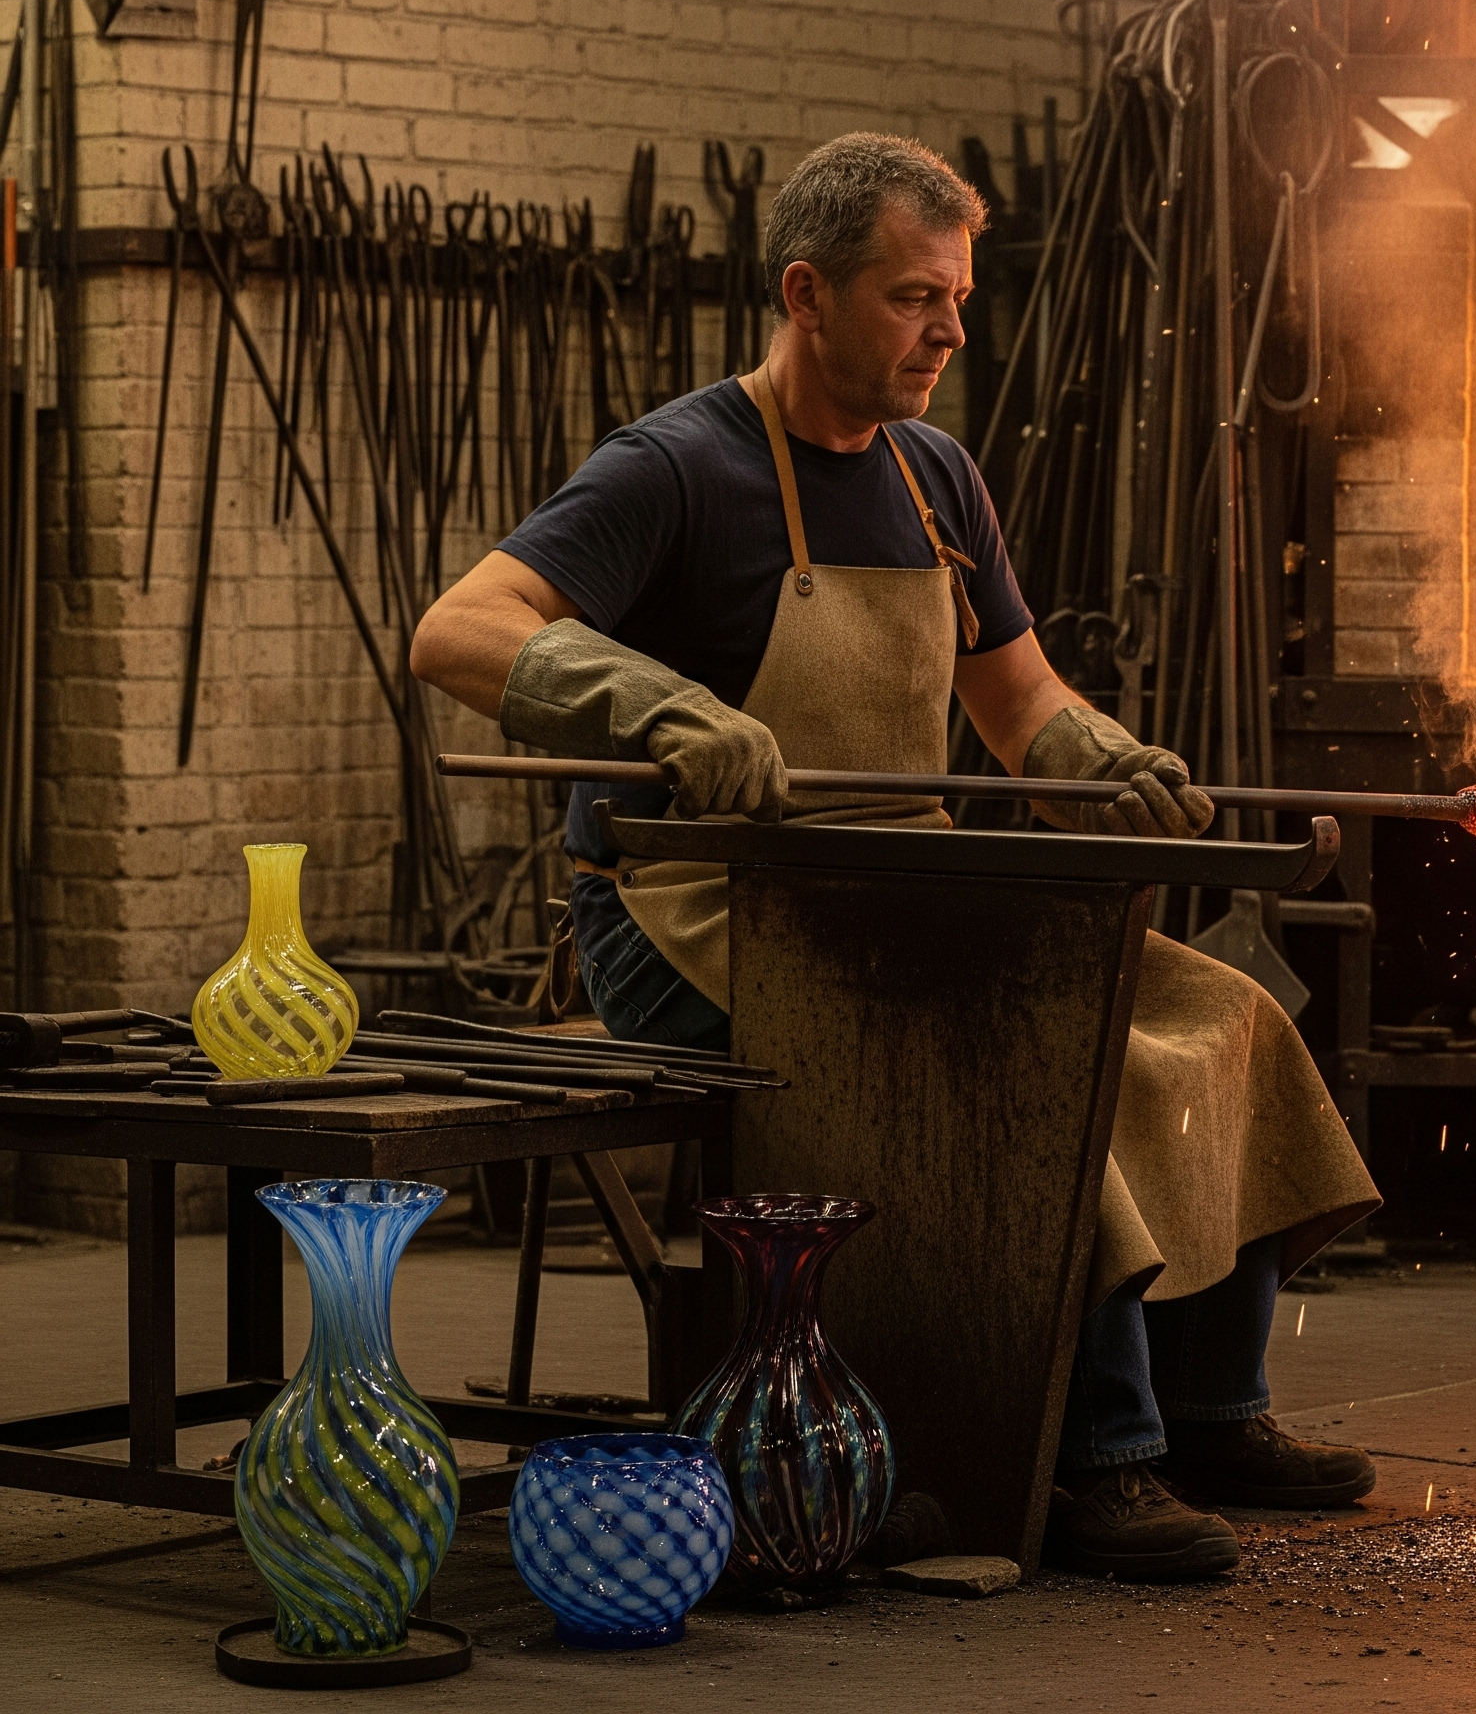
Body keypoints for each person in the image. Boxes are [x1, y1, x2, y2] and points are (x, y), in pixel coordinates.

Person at [412, 132, 1380, 1580]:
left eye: (960, 301)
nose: (950, 331)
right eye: (915, 299)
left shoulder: (937, 477)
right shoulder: (678, 466)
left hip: (904, 892)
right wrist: (660, 705)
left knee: (1210, 1015)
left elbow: (1019, 700)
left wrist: (1096, 760)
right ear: (807, 294)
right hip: (705, 911)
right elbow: (459, 628)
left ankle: (1207, 1410)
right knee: (1029, 1045)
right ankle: (1094, 1464)